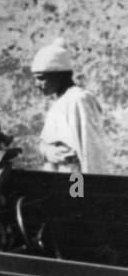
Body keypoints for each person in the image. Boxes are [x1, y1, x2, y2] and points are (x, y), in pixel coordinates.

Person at [32, 38, 109, 174]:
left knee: (76, 196)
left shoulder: (79, 99)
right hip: (58, 177)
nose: (37, 84)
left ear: (59, 76)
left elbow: (90, 149)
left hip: (75, 176)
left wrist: (92, 188)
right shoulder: (59, 103)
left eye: (41, 78)